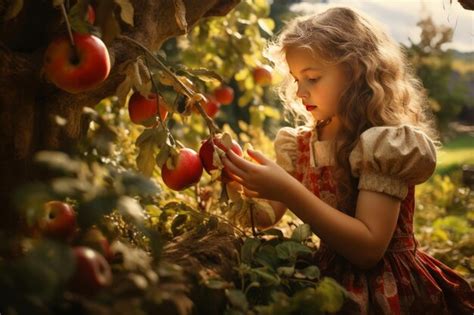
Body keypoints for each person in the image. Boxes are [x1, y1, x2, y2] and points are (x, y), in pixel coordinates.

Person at [222, 6, 474, 314]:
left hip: (386, 290)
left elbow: (368, 249)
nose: (299, 92)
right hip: (327, 283)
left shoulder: (384, 145)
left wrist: (286, 188)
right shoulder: (300, 144)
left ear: (357, 72)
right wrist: (236, 181)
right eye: (295, 79)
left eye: (312, 78)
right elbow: (265, 215)